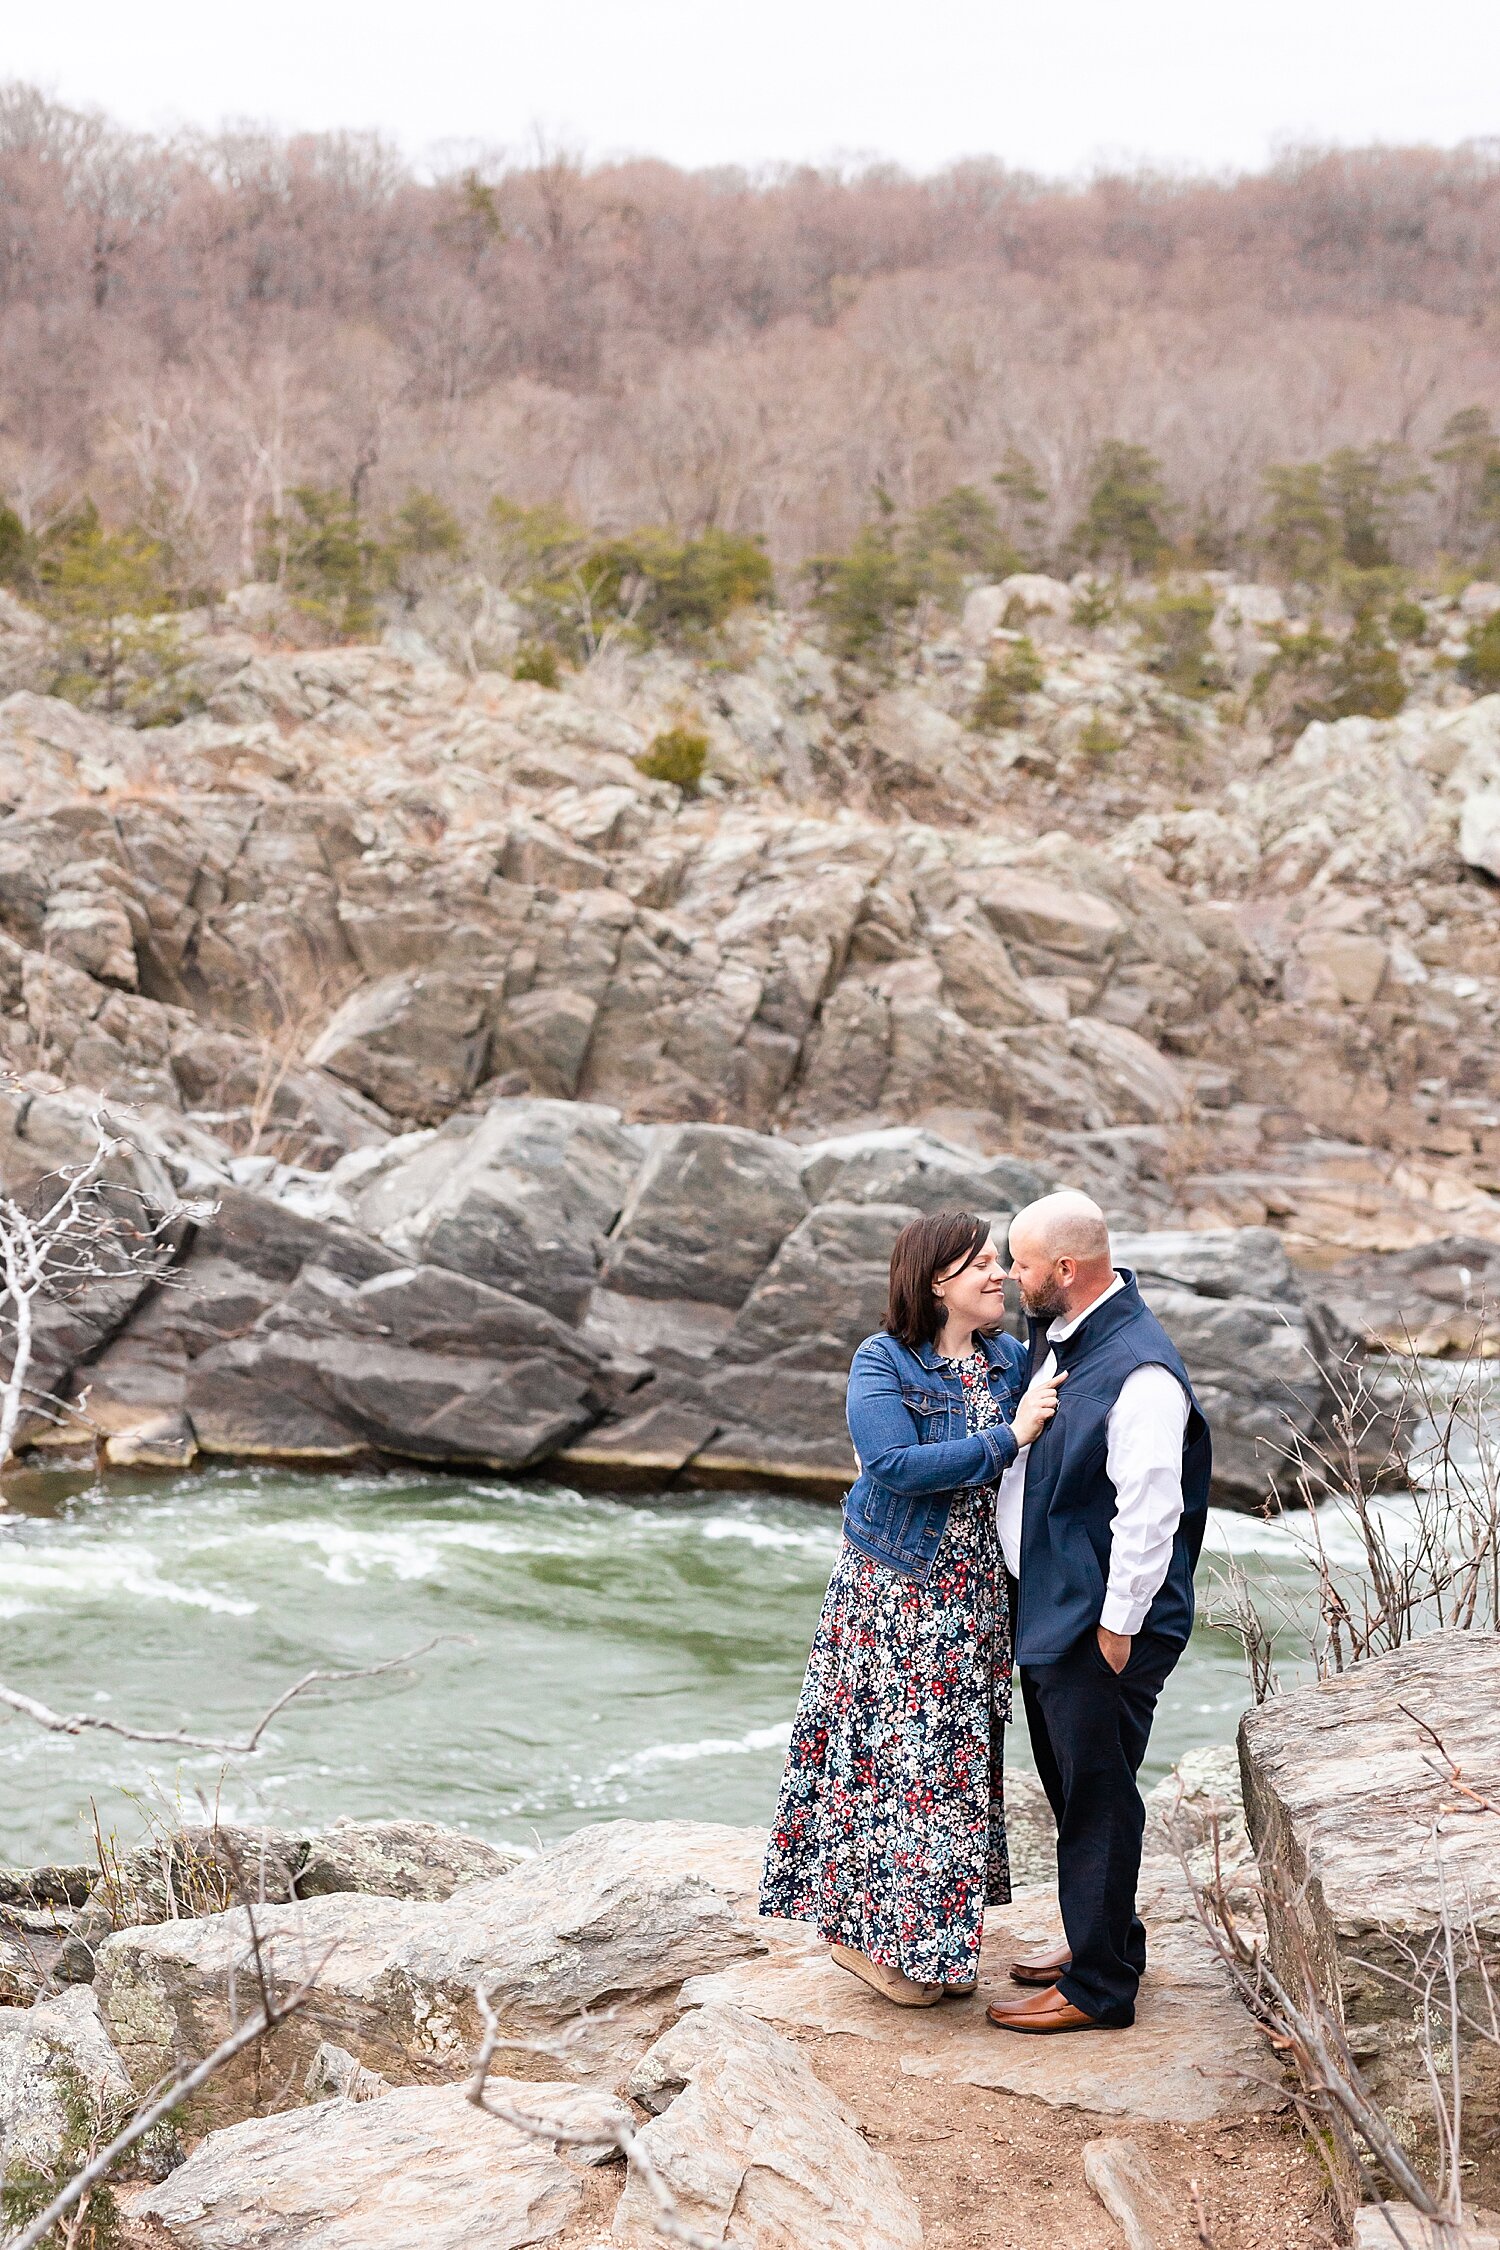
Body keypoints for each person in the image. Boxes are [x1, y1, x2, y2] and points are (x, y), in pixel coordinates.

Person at [760, 1209, 1063, 2008]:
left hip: (975, 1598)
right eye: (981, 1266)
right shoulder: (883, 1361)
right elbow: (893, 1465)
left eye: (999, 1262)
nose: (998, 1275)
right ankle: (863, 1940)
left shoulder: (1009, 1357)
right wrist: (1009, 1438)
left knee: (952, 1772)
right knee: (889, 1767)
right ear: (936, 1282)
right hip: (892, 1596)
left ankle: (926, 1945)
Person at [985, 1189, 1212, 2037]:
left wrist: (1116, 1626)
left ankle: (1100, 1989)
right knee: (1076, 1786)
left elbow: (1151, 1510)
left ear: (1066, 1271)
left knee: (1098, 1797)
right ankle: (1103, 1944)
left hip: (1100, 1622)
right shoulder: (1067, 1337)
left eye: (1023, 1263)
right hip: (1056, 1607)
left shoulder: (1141, 1371)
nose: (1011, 1276)